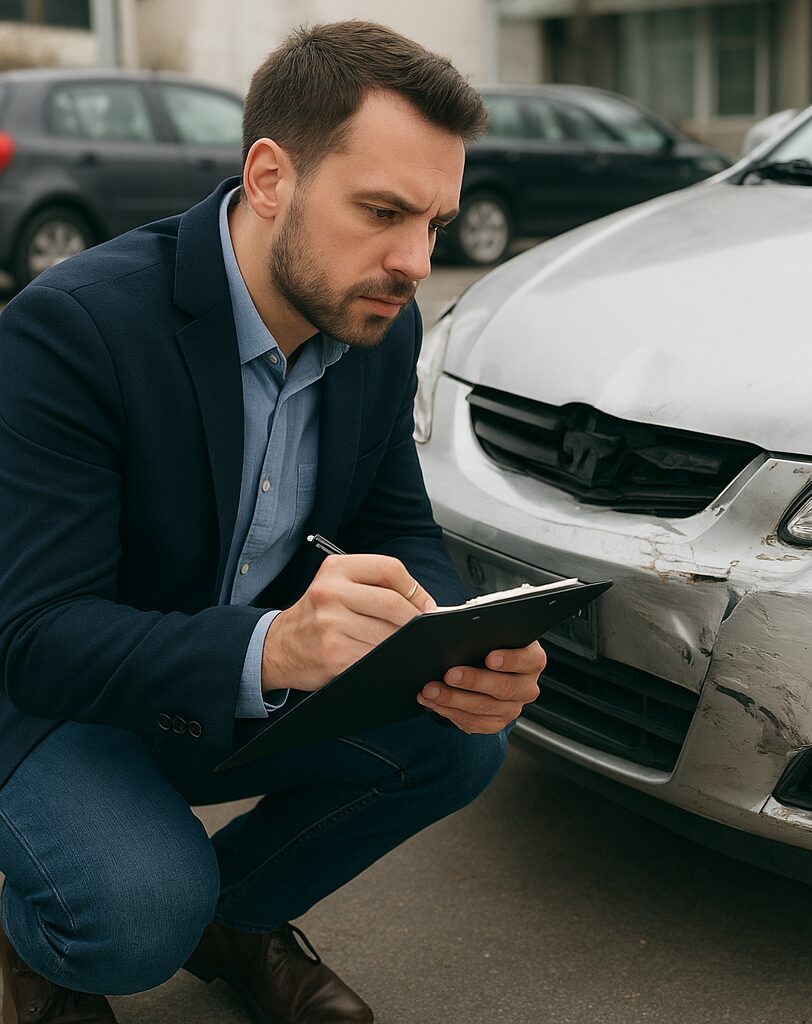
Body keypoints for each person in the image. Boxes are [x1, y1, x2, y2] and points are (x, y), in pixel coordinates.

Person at [0, 21, 545, 1024]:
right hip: (54, 701)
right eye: (382, 211)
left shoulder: (376, 318)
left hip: (225, 677)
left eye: (434, 222)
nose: (416, 261)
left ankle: (239, 918)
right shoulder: (75, 329)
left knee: (460, 741)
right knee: (133, 911)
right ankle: (38, 938)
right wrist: (274, 644)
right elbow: (36, 639)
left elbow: (397, 530)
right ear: (268, 177)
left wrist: (457, 641)